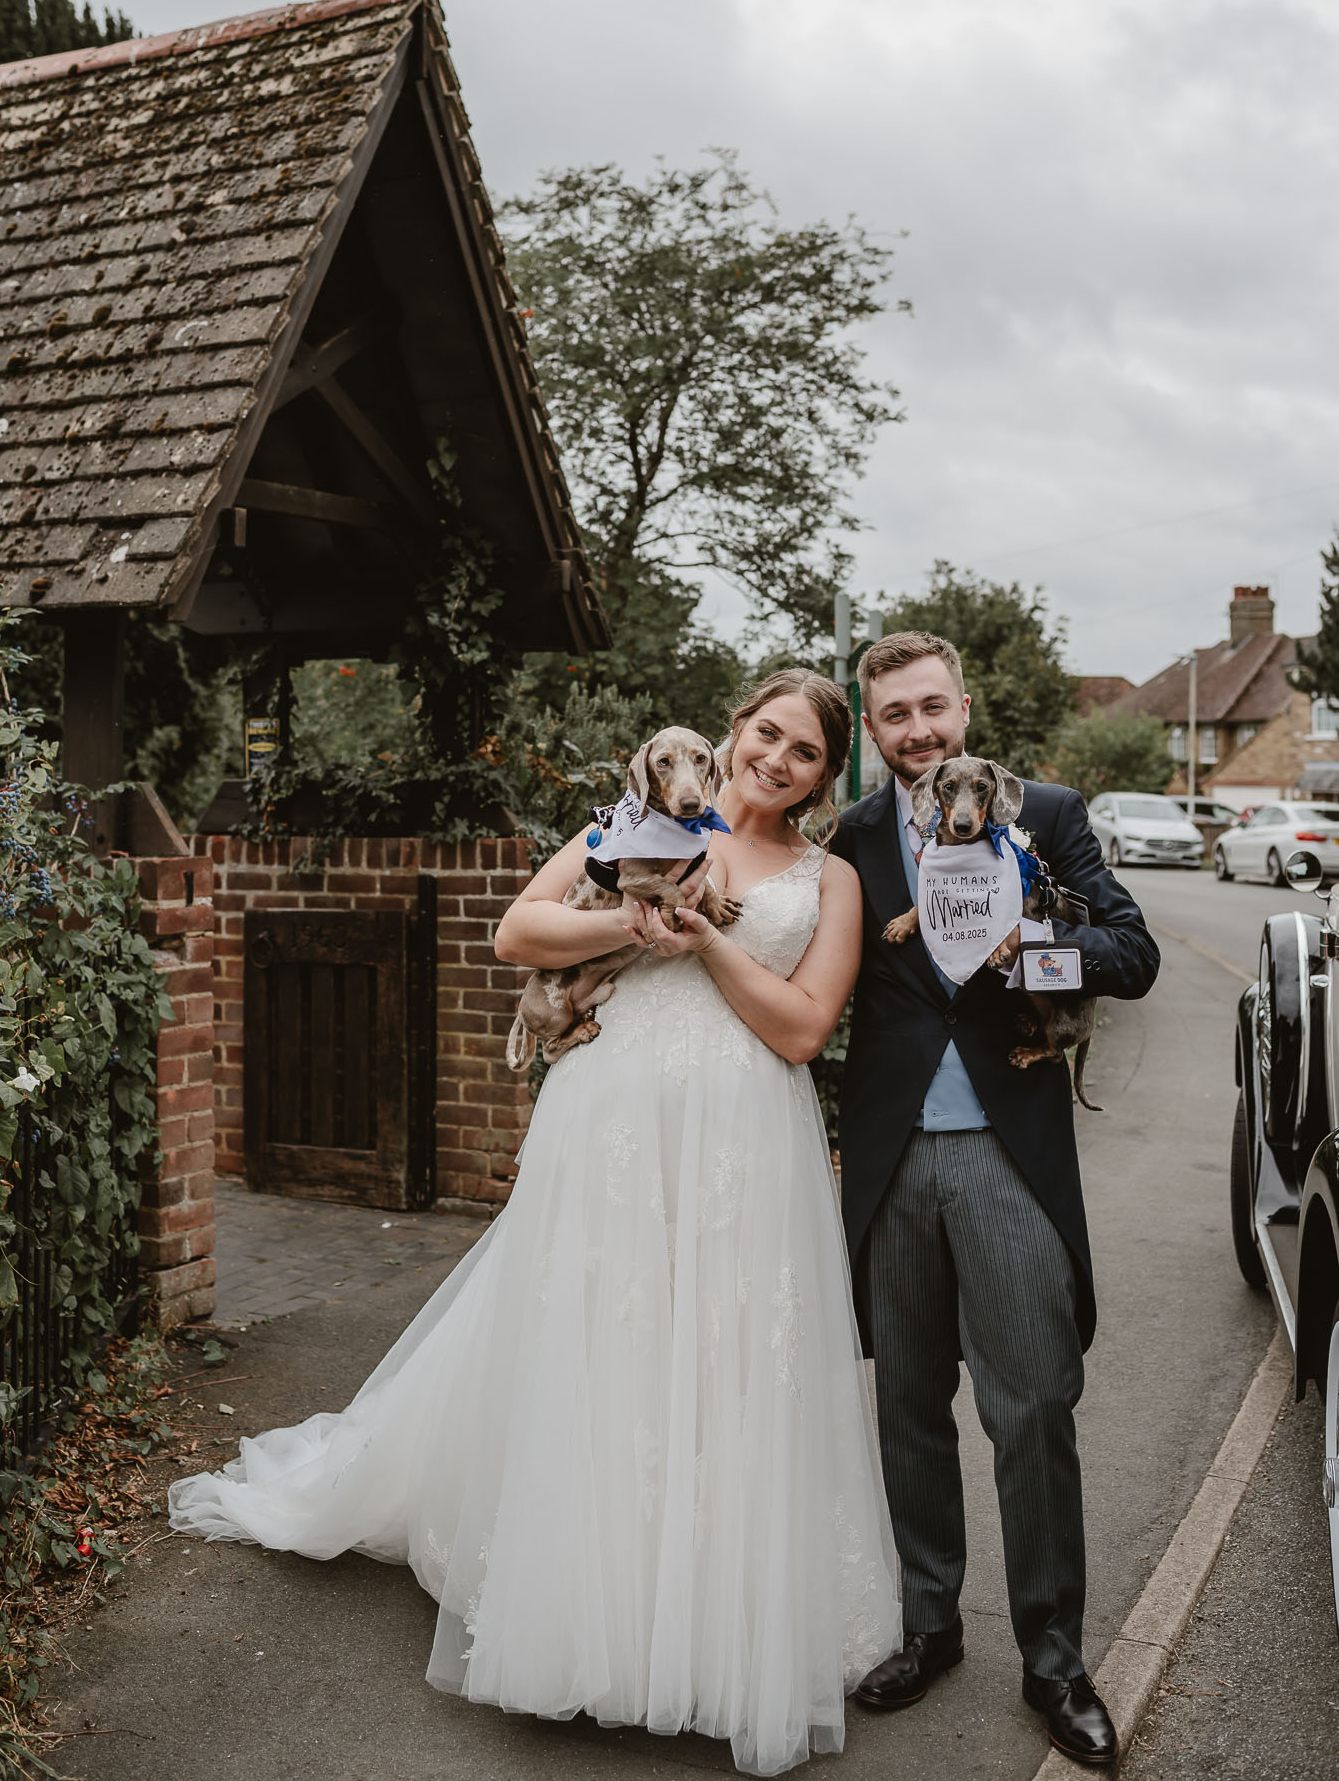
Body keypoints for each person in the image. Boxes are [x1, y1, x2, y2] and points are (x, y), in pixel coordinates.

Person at [169, 668, 901, 1778]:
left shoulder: (831, 878)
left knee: (728, 1356)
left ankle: (712, 1616)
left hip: (747, 1139)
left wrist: (702, 936)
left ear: (823, 772)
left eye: (804, 751)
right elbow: (520, 931)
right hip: (612, 1118)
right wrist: (629, 915)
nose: (776, 761)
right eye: (765, 733)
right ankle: (586, 1613)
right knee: (604, 1343)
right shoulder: (635, 823)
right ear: (732, 727)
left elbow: (802, 1029)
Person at [831, 631, 1159, 1769]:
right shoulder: (858, 836)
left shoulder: (1047, 814)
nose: (917, 732)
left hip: (1009, 1158)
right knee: (907, 1406)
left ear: (962, 707)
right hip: (890, 1163)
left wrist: (1037, 953)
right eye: (893, 718)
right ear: (872, 733)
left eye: (932, 708)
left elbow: (1132, 949)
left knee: (1031, 1411)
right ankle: (930, 1627)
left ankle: (1055, 1658)